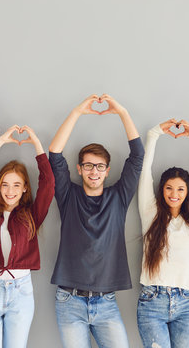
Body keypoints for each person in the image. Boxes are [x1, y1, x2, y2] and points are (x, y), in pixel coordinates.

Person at [48, 94, 144, 348]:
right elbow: (55, 153)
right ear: (79, 169)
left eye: (100, 166)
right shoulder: (68, 196)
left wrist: (122, 112)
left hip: (106, 302)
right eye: (89, 166)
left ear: (107, 170)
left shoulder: (119, 197)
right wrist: (78, 111)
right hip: (69, 301)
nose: (94, 171)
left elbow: (137, 156)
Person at [0, 125, 55, 348]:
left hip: (21, 292)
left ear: (25, 188)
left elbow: (48, 184)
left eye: (16, 185)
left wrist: (36, 143)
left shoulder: (32, 216)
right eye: (5, 185)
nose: (10, 191)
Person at [137, 119, 189, 348]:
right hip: (153, 301)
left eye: (180, 189)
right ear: (162, 190)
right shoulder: (150, 214)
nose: (174, 194)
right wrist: (153, 134)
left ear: (187, 192)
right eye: (169, 188)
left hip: (186, 303)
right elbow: (144, 174)